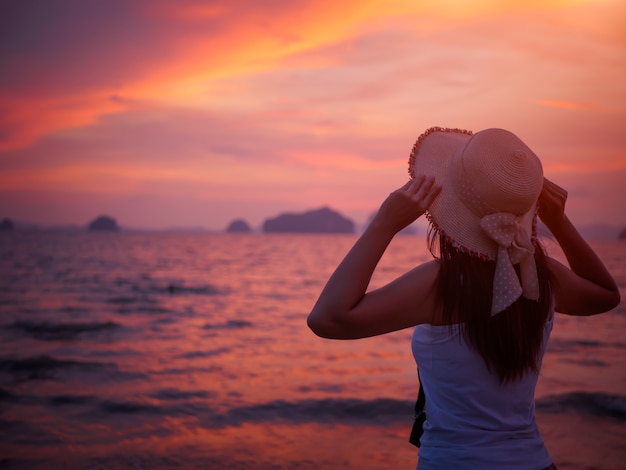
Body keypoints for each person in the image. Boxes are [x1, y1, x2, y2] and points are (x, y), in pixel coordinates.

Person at [307, 126, 620, 469]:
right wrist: (559, 222)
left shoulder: (441, 284)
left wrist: (384, 223)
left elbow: (328, 319)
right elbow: (605, 295)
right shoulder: (543, 276)